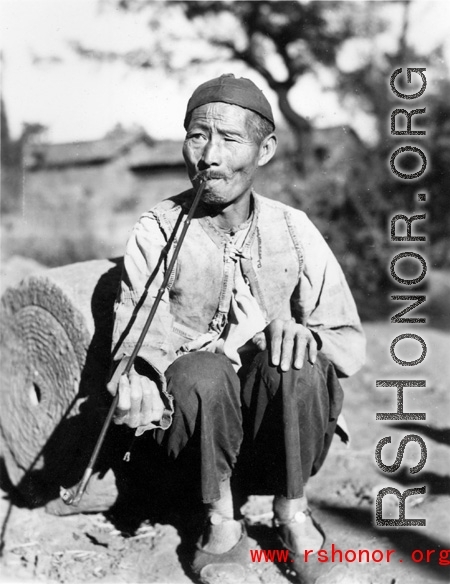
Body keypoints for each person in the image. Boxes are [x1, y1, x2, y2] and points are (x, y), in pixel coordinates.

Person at [108, 73, 365, 583]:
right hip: (193, 446)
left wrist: (301, 334)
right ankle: (222, 523)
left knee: (299, 360)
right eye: (198, 135)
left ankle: (292, 514)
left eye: (229, 139)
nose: (209, 155)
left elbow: (346, 341)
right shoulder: (157, 230)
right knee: (201, 371)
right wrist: (137, 373)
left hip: (279, 442)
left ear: (264, 150)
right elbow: (141, 335)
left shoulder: (294, 230)